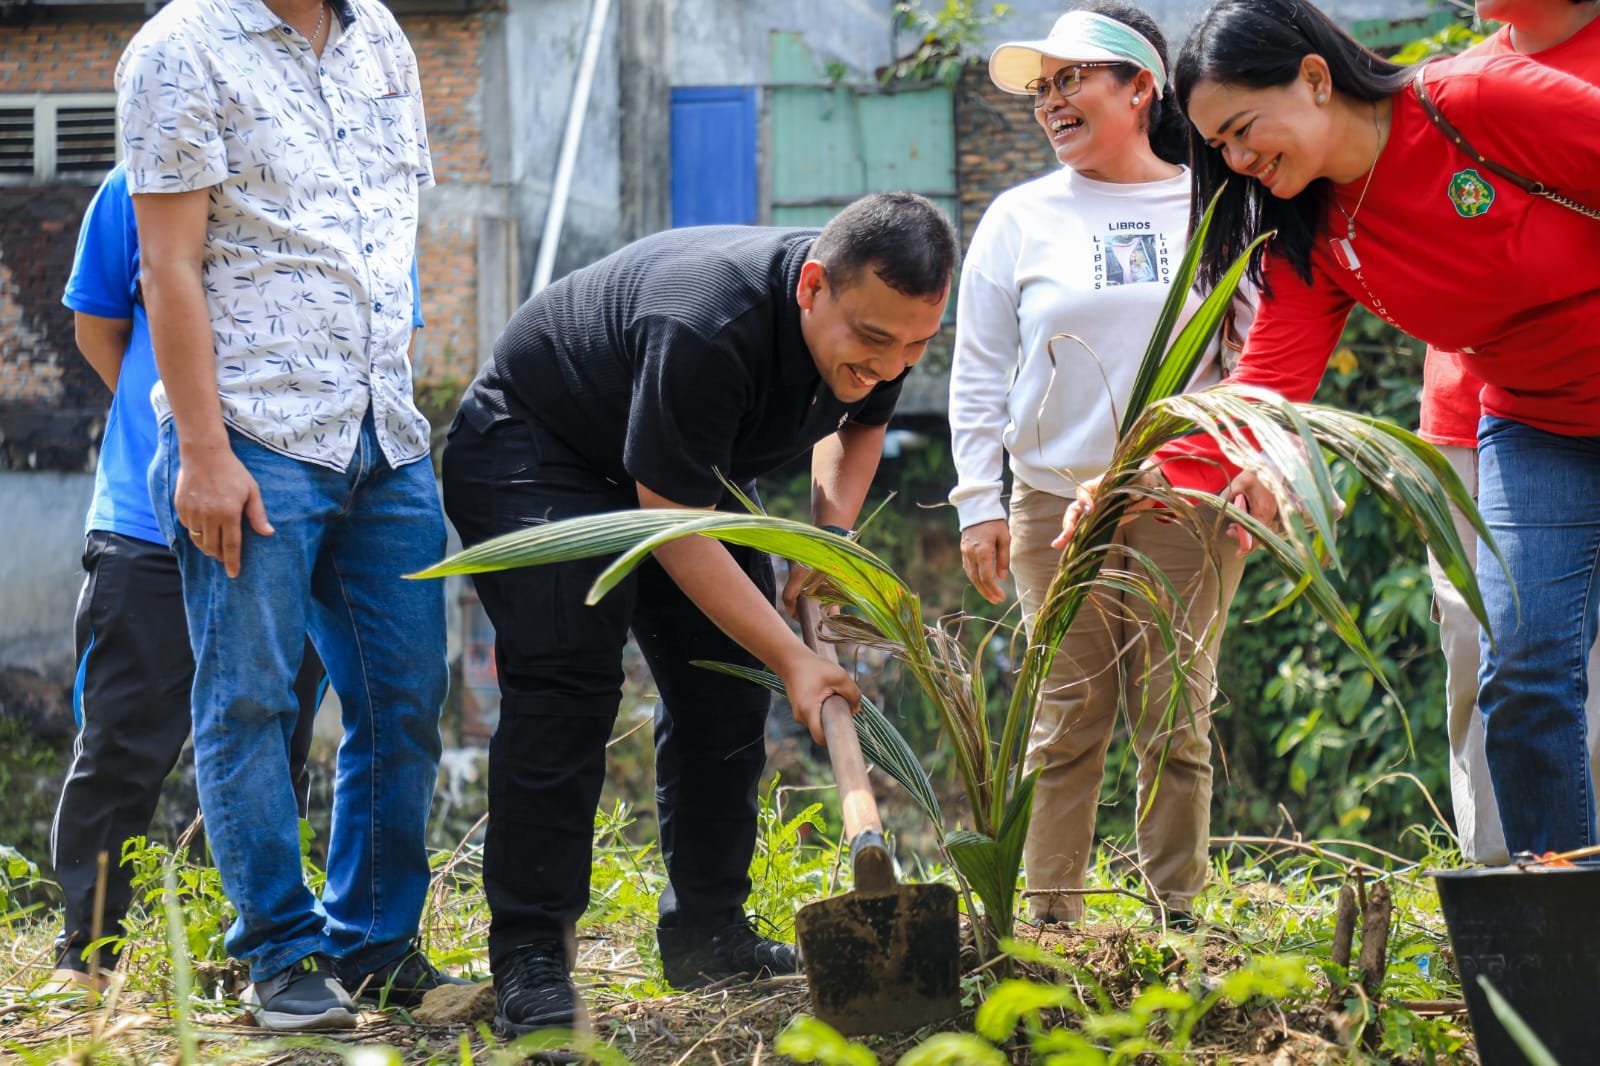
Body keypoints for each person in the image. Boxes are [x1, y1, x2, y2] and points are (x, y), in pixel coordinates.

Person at [1060, 0, 1600, 857]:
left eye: (1243, 130)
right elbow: (1264, 388)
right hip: (1539, 425)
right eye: (1219, 147)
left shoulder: (1473, 101)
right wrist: (1138, 478)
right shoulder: (1313, 227)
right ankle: (1563, 912)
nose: (1238, 160)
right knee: (1524, 673)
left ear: (1315, 78)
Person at [441, 193, 956, 1035]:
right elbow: (672, 524)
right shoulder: (709, 324)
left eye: (916, 346)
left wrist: (829, 543)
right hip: (540, 447)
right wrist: (795, 659)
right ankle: (532, 957)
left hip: (678, 466)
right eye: (873, 341)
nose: (890, 365)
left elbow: (862, 425)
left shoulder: (882, 325)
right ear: (812, 287)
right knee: (567, 681)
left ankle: (709, 933)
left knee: (726, 683)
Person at [116, 0, 457, 1030]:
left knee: (404, 698)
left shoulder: (380, 36)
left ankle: (375, 942)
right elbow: (167, 265)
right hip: (253, 432)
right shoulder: (179, 48)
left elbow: (384, 231)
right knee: (252, 702)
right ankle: (280, 953)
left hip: (384, 431)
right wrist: (203, 452)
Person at [950, 4, 1249, 928]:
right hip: (1051, 505)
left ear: (1140, 87)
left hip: (1187, 499)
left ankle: (1178, 923)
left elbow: (1249, 359)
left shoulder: (1217, 205)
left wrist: (1250, 469)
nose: (1051, 101)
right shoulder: (1018, 217)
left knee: (1175, 719)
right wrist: (978, 502)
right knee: (1063, 720)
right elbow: (978, 371)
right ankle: (1048, 926)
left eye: (1071, 79)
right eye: (1042, 88)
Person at [1420, 0, 1600, 864]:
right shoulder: (1451, 90)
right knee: (1496, 667)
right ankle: (1510, 900)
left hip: (1577, 401)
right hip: (1481, 422)